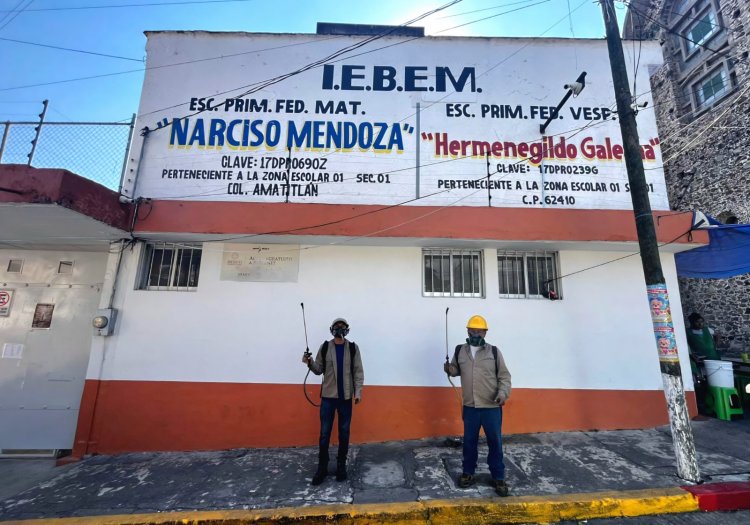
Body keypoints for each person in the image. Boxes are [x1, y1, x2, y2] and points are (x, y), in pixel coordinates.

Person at [444, 315, 512, 497]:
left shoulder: (494, 352)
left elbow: (504, 377)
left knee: (495, 443)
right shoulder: (460, 350)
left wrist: (502, 394)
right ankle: (468, 473)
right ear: (467, 331)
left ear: (485, 332)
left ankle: (498, 477)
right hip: (470, 407)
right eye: (471, 330)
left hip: (491, 407)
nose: (474, 333)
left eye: (478, 330)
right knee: (469, 442)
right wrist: (449, 369)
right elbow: (456, 370)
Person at [304, 317, 364, 485]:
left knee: (344, 433)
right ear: (332, 329)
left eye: (343, 326)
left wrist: (358, 392)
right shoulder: (325, 347)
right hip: (328, 398)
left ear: (347, 330)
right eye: (337, 326)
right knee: (324, 434)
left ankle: (341, 466)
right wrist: (309, 362)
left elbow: (358, 372)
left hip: (345, 398)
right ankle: (322, 467)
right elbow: (318, 370)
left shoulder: (353, 348)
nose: (340, 329)